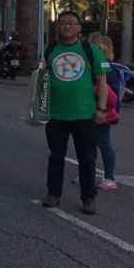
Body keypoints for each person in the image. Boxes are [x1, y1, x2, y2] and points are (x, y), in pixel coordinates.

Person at [41, 11, 109, 215]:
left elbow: (102, 82)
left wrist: (101, 109)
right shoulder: (50, 49)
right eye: (62, 23)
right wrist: (39, 109)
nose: (67, 26)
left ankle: (88, 198)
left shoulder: (91, 49)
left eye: (71, 23)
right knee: (56, 157)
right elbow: (41, 81)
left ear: (79, 28)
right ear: (57, 27)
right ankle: (53, 194)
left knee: (87, 159)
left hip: (85, 115)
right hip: (56, 115)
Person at [88, 32, 123, 191]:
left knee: (103, 144)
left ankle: (109, 178)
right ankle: (91, 174)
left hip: (102, 112)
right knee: (93, 144)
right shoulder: (109, 66)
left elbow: (111, 93)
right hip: (98, 111)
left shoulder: (104, 67)